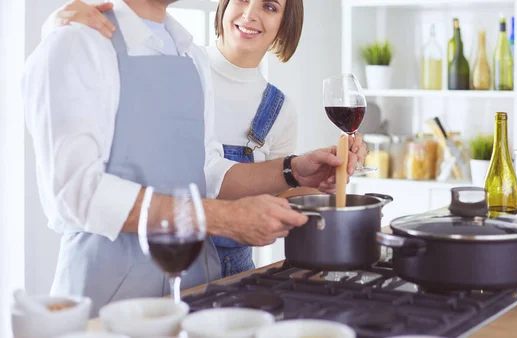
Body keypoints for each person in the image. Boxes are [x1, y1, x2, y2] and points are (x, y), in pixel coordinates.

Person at [23, 0, 361, 316]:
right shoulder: (76, 43)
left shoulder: (190, 57)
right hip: (105, 298)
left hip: (194, 290)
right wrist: (220, 218)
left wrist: (294, 171)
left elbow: (207, 171)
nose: (251, 12)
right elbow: (75, 195)